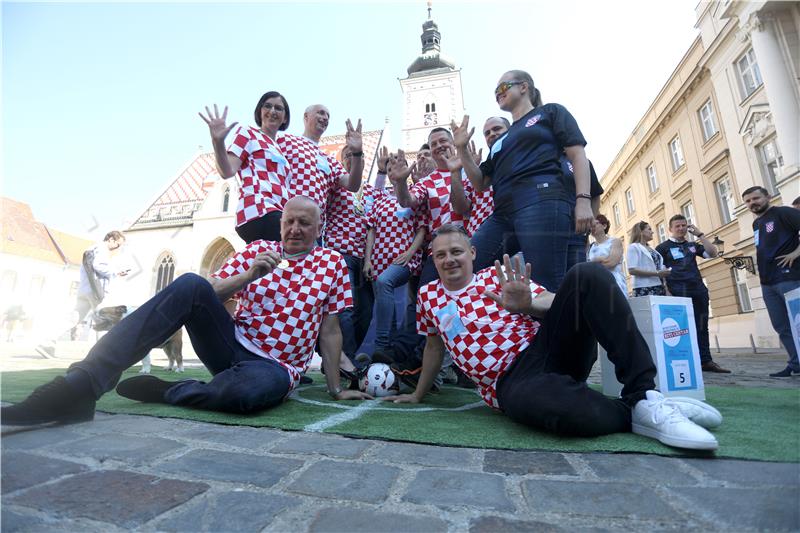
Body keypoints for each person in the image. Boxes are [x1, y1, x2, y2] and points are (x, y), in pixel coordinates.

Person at [2, 197, 372, 426]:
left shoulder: (332, 263)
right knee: (192, 282)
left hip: (277, 367)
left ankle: (172, 390)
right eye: (288, 221)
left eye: (304, 223)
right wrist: (249, 274)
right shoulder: (256, 250)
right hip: (230, 346)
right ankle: (80, 385)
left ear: (318, 226)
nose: (294, 229)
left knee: (247, 395)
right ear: (280, 223)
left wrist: (336, 388)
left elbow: (331, 330)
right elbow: (206, 294)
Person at [386, 224, 722, 450]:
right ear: (433, 259)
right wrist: (417, 394)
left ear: (472, 253)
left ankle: (644, 393)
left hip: (548, 348)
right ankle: (639, 409)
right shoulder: (429, 295)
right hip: (509, 383)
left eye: (456, 251)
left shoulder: (499, 276)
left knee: (587, 273)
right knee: (557, 412)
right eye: (441, 255)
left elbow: (556, 303)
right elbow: (433, 344)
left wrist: (526, 304)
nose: (449, 259)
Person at [454, 70, 594, 292]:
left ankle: (555, 326)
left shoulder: (550, 112)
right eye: (495, 92)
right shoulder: (501, 140)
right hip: (502, 214)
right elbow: (480, 183)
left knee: (544, 286)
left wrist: (583, 201)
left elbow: (578, 155)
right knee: (469, 263)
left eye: (502, 88)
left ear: (523, 87)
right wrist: (462, 149)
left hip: (541, 201)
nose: (498, 94)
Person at [322, 146, 390, 365]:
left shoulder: (368, 190)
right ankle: (346, 361)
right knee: (346, 310)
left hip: (366, 259)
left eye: (355, 155)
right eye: (347, 156)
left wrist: (381, 172)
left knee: (366, 311)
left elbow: (379, 199)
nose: (351, 159)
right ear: (342, 162)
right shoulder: (336, 186)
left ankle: (338, 356)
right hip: (340, 254)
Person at [199, 94, 292, 243]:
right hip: (259, 210)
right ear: (259, 111)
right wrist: (218, 142)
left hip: (278, 213)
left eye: (279, 108)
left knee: (276, 261)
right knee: (303, 246)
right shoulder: (248, 133)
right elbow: (227, 170)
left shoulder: (280, 149)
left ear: (285, 118)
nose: (272, 111)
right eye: (267, 106)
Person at [389, 128, 472, 285]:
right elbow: (408, 201)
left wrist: (455, 172)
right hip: (438, 249)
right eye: (433, 144)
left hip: (467, 243)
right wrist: (400, 182)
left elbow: (462, 208)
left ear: (453, 143)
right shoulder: (428, 181)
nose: (438, 146)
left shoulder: (469, 169)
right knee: (426, 294)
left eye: (443, 141)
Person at [364, 155, 427, 353]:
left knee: (385, 282)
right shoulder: (380, 199)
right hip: (378, 259)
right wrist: (367, 260)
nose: (393, 173)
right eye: (390, 170)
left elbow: (422, 229)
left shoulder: (415, 195)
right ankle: (389, 355)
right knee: (385, 305)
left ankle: (380, 345)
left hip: (405, 259)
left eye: (398, 168)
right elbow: (371, 231)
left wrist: (410, 253)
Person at [655, 215, 730, 373]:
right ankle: (685, 360)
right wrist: (666, 292)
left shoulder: (692, 245)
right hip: (677, 292)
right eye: (677, 226)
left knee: (702, 326)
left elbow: (713, 253)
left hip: (697, 289)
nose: (681, 228)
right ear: (670, 229)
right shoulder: (662, 248)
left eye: (683, 225)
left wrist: (700, 235)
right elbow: (659, 273)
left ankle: (706, 361)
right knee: (680, 328)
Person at [742, 186, 800, 377]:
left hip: (788, 277)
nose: (752, 203)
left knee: (798, 322)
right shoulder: (756, 223)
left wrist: (796, 252)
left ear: (767, 196)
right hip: (767, 282)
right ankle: (795, 363)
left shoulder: (783, 213)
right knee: (781, 326)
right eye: (748, 201)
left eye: (756, 198)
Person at [277, 105, 364, 228]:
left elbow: (353, 185)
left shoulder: (329, 160)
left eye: (328, 116)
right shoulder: (285, 140)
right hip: (286, 220)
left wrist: (357, 153)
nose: (325, 118)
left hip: (312, 228)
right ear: (306, 117)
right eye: (321, 113)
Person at [627, 221, 671, 297]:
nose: (652, 232)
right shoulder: (633, 247)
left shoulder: (652, 249)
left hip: (659, 286)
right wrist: (657, 273)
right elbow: (632, 270)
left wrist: (666, 288)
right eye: (649, 229)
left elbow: (658, 268)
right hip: (644, 287)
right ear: (641, 232)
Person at [587, 215, 626, 295]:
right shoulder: (591, 247)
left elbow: (611, 263)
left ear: (604, 226)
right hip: (596, 284)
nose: (593, 227)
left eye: (596, 223)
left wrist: (593, 261)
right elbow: (586, 267)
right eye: (591, 225)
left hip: (614, 282)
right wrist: (600, 259)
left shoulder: (615, 241)